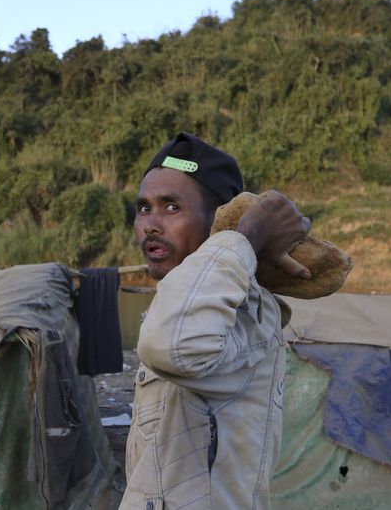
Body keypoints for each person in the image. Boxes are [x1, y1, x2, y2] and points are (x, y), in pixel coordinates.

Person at [120, 132, 311, 509]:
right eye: (144, 208)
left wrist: (244, 237)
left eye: (171, 207)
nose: (151, 224)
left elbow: (170, 345)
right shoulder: (191, 301)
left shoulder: (243, 311)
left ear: (218, 221)